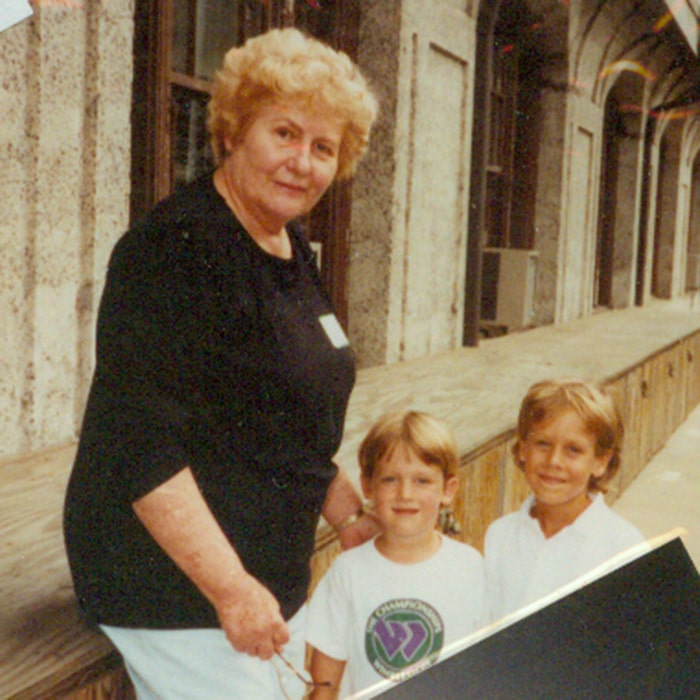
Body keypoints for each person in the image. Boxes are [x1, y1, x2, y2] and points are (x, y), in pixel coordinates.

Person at [63, 28, 379, 700]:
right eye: (284, 133)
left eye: (323, 148)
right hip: (172, 592)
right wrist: (232, 590)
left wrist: (351, 517)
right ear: (235, 131)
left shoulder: (287, 240)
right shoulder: (174, 248)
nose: (302, 161)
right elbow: (140, 446)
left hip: (264, 586)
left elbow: (289, 415)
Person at [306, 411, 487, 699]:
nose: (405, 493)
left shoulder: (471, 566)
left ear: (448, 489)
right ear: (368, 486)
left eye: (422, 481)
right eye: (390, 479)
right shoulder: (348, 571)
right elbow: (324, 684)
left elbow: (486, 666)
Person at [484, 378, 645, 622]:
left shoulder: (624, 547)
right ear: (523, 449)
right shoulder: (500, 535)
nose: (554, 461)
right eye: (543, 444)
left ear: (601, 461)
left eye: (573, 450)